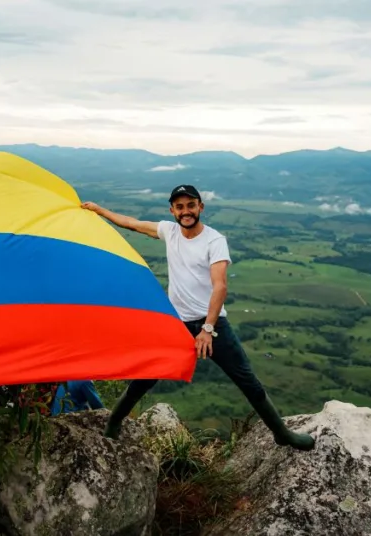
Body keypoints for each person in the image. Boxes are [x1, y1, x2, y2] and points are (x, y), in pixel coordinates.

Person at [81, 184, 315, 451]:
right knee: (145, 377)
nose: (186, 211)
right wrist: (99, 210)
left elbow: (220, 286)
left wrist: (207, 328)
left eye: (191, 205)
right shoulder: (169, 231)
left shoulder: (214, 241)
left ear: (200, 207)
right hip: (176, 324)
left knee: (247, 380)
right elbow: (132, 224)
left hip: (211, 324)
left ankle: (282, 433)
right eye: (180, 207)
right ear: (172, 211)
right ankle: (114, 421)